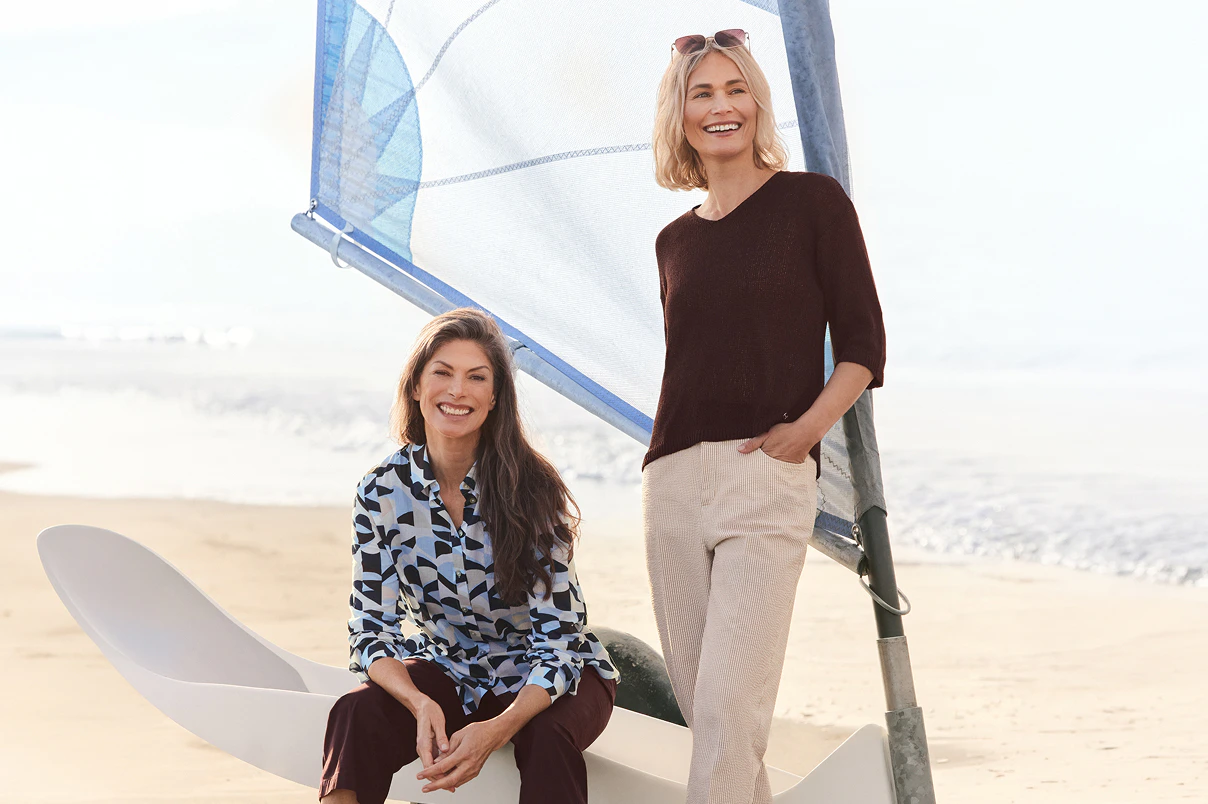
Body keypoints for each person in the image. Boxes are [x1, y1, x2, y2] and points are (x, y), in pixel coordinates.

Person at [643, 30, 887, 804]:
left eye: (735, 89)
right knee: (711, 721)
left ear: (758, 102)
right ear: (679, 115)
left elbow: (863, 345)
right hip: (672, 484)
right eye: (702, 93)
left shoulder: (811, 202)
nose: (722, 106)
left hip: (765, 476)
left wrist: (806, 432)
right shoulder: (672, 241)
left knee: (726, 710)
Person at [319, 308, 619, 804]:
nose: (457, 391)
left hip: (552, 674)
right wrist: (417, 702)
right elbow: (371, 631)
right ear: (416, 386)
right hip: (452, 668)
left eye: (476, 377)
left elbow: (560, 640)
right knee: (356, 713)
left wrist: (497, 729)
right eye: (442, 372)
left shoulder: (533, 491)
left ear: (495, 398)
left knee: (545, 738)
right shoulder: (383, 492)